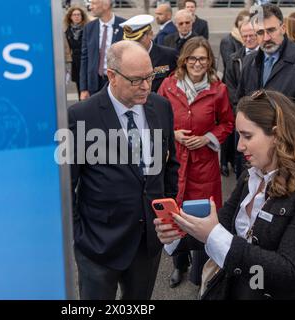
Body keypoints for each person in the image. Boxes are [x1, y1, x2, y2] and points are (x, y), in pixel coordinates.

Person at [155, 89, 295, 299]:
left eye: (247, 136)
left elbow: (289, 272)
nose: (239, 146)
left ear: (277, 135)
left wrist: (214, 236)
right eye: (239, 135)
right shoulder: (251, 176)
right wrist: (178, 235)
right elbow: (222, 224)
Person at [68, 40, 179, 300]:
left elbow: (170, 165)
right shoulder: (81, 116)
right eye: (136, 80)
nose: (146, 86)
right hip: (98, 245)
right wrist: (79, 235)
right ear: (112, 76)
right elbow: (65, 185)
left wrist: (167, 215)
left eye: (150, 77)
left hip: (147, 243)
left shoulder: (161, 107)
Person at [158, 37, 234, 289]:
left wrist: (208, 138)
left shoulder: (218, 89)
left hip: (204, 166)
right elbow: (156, 117)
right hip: (175, 163)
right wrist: (173, 133)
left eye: (202, 58)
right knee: (175, 216)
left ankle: (200, 273)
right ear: (184, 60)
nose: (197, 63)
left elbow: (227, 123)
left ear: (209, 61)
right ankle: (179, 265)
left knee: (203, 219)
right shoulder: (169, 86)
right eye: (192, 58)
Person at [236, 4, 295, 127]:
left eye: (271, 30)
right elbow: (240, 103)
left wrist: (276, 132)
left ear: (283, 28)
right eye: (260, 32)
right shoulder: (248, 62)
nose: (266, 38)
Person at [224, 19, 259, 179]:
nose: (248, 39)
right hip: (242, 115)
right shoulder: (234, 59)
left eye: (252, 35)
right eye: (245, 36)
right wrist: (241, 113)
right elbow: (231, 88)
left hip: (260, 116)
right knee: (242, 157)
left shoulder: (263, 57)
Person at [219, 9, 250, 177]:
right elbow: (229, 61)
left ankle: (233, 161)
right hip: (232, 92)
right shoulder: (229, 41)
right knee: (229, 130)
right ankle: (224, 161)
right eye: (242, 25)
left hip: (244, 97)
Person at [79, 0, 125, 100]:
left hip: (117, 82)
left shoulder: (124, 25)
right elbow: (84, 58)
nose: (90, 7)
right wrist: (83, 88)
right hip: (95, 83)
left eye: (94, 3)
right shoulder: (89, 28)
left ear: (106, 4)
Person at [120, 14, 179, 92]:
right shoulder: (123, 58)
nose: (134, 44)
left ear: (150, 34)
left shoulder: (169, 56)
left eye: (138, 40)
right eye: (130, 41)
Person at [64, 6, 89, 99]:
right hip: (75, 61)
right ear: (70, 17)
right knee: (79, 85)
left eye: (78, 14)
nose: (76, 17)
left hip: (87, 59)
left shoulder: (88, 28)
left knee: (89, 84)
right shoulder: (67, 31)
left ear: (82, 16)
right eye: (74, 15)